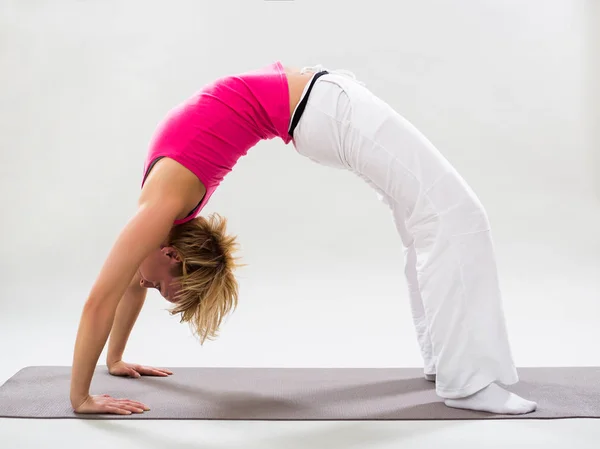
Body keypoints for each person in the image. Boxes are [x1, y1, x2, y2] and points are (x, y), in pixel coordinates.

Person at [70, 61, 537, 416]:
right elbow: (130, 285)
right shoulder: (162, 214)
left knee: (451, 214)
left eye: (158, 288)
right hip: (320, 107)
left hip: (324, 107)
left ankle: (463, 378)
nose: (147, 287)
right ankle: (455, 369)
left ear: (169, 253)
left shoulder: (158, 210)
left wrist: (82, 397)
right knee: (434, 216)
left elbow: (101, 299)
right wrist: (115, 359)